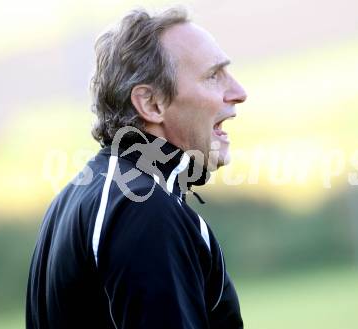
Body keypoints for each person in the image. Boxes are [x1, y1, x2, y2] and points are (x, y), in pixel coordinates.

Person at [26, 6, 247, 329]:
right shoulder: (145, 207)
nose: (239, 93)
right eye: (213, 76)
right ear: (151, 104)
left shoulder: (78, 195)